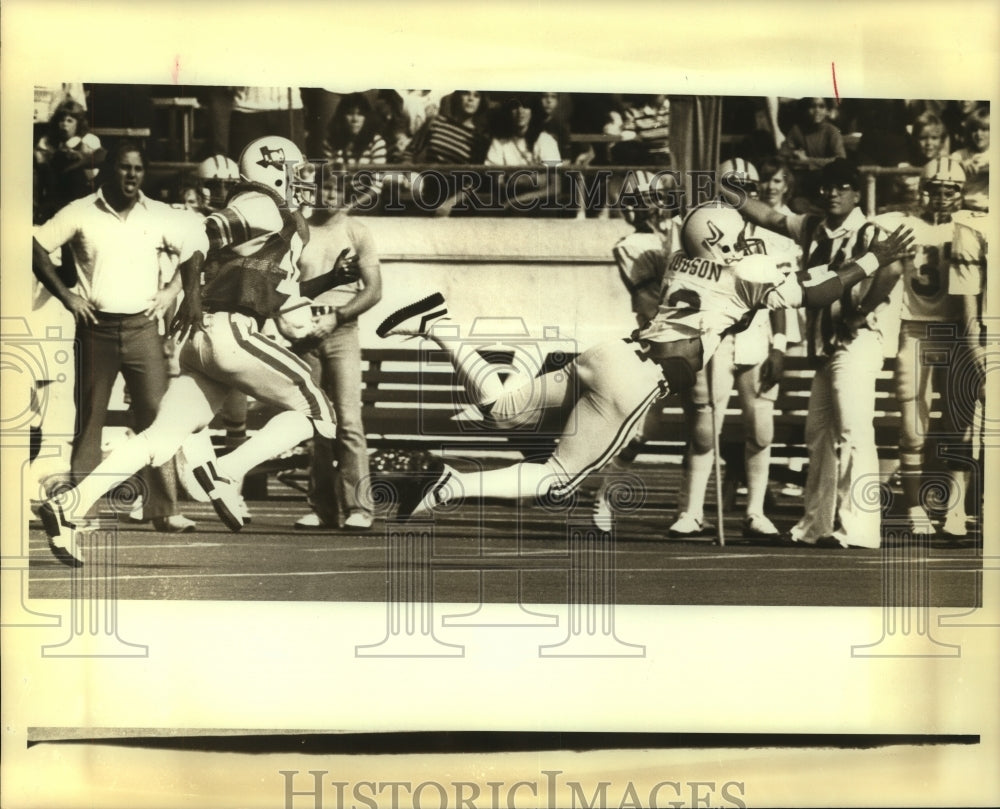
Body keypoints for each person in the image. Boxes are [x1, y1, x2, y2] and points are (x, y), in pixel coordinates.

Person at [373, 201, 914, 524]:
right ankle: (449, 485)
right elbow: (816, 295)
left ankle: (440, 328)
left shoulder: (682, 261)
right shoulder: (741, 275)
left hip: (608, 351)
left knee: (499, 407)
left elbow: (722, 284)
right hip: (637, 380)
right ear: (726, 244)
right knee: (556, 480)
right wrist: (872, 258)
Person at [34, 136, 352, 565]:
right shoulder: (262, 205)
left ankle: (67, 506)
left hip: (206, 343)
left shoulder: (276, 220)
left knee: (158, 439)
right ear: (272, 171)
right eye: (295, 172)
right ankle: (224, 471)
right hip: (228, 333)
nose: (302, 180)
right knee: (321, 412)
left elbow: (281, 292)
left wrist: (331, 281)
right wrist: (195, 300)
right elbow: (202, 232)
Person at [735, 158, 908, 549]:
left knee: (852, 431)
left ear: (856, 192)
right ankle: (815, 526)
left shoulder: (870, 230)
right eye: (826, 187)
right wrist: (728, 193)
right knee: (819, 435)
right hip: (824, 344)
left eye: (841, 186)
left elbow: (892, 270)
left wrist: (860, 312)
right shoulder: (813, 226)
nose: (831, 193)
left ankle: (858, 529)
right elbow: (772, 218)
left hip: (857, 339)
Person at [32, 140, 197, 537]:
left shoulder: (158, 214)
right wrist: (67, 295)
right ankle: (79, 509)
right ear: (108, 171)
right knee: (90, 420)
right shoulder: (80, 212)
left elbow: (195, 250)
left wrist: (172, 292)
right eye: (124, 168)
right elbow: (35, 246)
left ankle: (165, 509)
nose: (131, 176)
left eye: (138, 169)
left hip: (143, 328)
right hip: (96, 329)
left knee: (158, 418)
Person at [666, 159, 791, 539]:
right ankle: (691, 511)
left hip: (756, 337)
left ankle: (755, 512)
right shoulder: (692, 222)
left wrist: (780, 345)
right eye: (732, 184)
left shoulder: (774, 230)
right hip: (712, 334)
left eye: (747, 185)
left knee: (761, 429)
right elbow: (676, 281)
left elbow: (781, 292)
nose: (741, 193)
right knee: (705, 430)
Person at [885, 158, 974, 536]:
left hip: (956, 330)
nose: (941, 197)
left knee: (959, 423)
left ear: (961, 193)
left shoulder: (973, 227)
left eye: (949, 189)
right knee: (912, 429)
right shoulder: (901, 224)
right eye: (934, 189)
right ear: (922, 190)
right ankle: (915, 507)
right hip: (916, 328)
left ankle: (954, 509)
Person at [292, 172, 383, 530]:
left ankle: (360, 508)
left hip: (341, 329)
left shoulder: (357, 230)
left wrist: (337, 316)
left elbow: (373, 290)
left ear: (345, 194)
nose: (328, 194)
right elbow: (287, 284)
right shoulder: (299, 229)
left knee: (347, 421)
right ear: (313, 191)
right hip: (302, 331)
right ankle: (322, 508)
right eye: (323, 187)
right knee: (315, 422)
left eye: (335, 189)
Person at [950, 107, 989, 212]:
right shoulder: (963, 154)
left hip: (988, 208)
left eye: (984, 129)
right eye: (974, 130)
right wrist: (962, 164)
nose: (978, 134)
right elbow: (949, 162)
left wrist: (983, 166)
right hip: (965, 207)